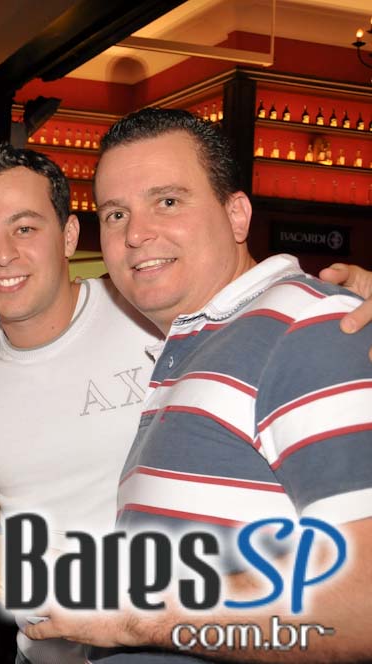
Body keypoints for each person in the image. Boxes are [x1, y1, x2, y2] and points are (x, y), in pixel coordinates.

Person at [26, 108, 372, 661]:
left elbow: (364, 602)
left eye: (167, 201)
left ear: (237, 215)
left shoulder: (313, 325)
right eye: (116, 214)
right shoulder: (196, 342)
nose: (135, 233)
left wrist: (135, 618)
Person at [0, 144, 161, 664]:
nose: (1, 254)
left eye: (24, 228)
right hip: (40, 653)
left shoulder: (146, 312)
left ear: (69, 236)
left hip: (161, 645)